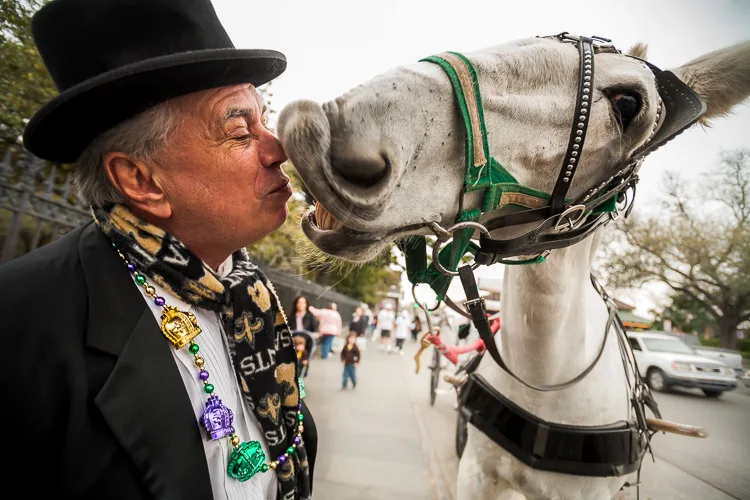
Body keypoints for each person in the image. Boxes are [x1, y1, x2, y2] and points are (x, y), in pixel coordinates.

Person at [0, 1, 316, 498]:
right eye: (240, 130)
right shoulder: (21, 324)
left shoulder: (249, 298)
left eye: (264, 120)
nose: (278, 149)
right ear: (141, 180)